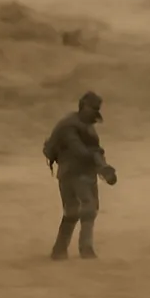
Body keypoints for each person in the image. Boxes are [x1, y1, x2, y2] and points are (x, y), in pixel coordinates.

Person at [42, 91, 117, 260]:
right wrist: (101, 166)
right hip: (72, 173)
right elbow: (80, 151)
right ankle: (84, 249)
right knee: (84, 208)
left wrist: (102, 165)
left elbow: (92, 150)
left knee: (75, 211)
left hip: (79, 173)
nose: (94, 113)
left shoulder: (84, 125)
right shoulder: (69, 126)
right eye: (92, 108)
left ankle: (61, 250)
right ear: (83, 106)